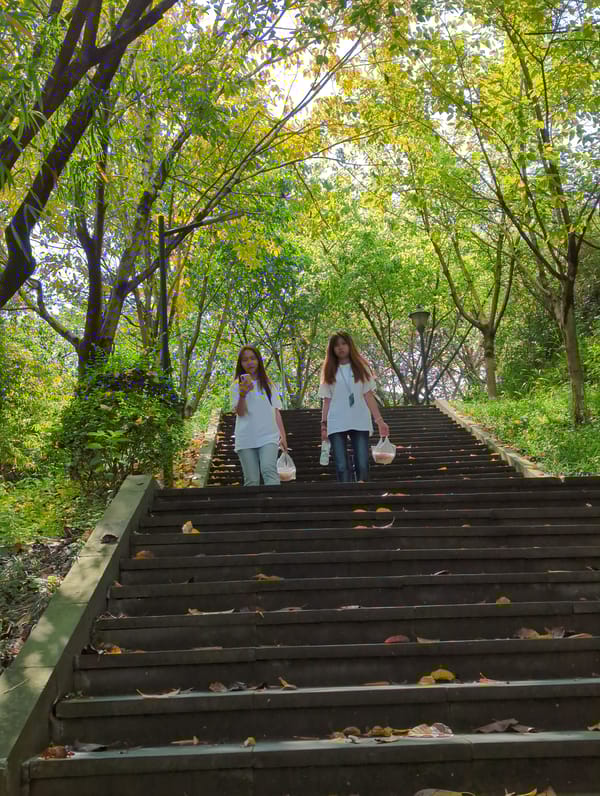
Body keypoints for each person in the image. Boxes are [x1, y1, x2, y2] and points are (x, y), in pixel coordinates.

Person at [319, 332, 390, 483]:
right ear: (332, 349)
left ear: (350, 345)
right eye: (337, 345)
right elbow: (327, 400)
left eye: (344, 343)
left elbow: (368, 395)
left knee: (363, 463)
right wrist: (324, 425)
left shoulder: (361, 367)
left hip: (360, 419)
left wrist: (379, 421)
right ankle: (347, 499)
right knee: (341, 465)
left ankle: (363, 498)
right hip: (336, 421)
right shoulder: (329, 370)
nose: (341, 347)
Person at [231, 345, 288, 486]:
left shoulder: (268, 385)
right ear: (240, 363)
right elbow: (240, 412)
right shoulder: (236, 386)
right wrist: (243, 394)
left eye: (252, 358)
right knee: (252, 480)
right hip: (246, 437)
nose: (249, 362)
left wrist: (283, 436)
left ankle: (274, 507)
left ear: (258, 360)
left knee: (269, 471)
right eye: (245, 360)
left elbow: (276, 411)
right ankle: (253, 508)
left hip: (268, 436)